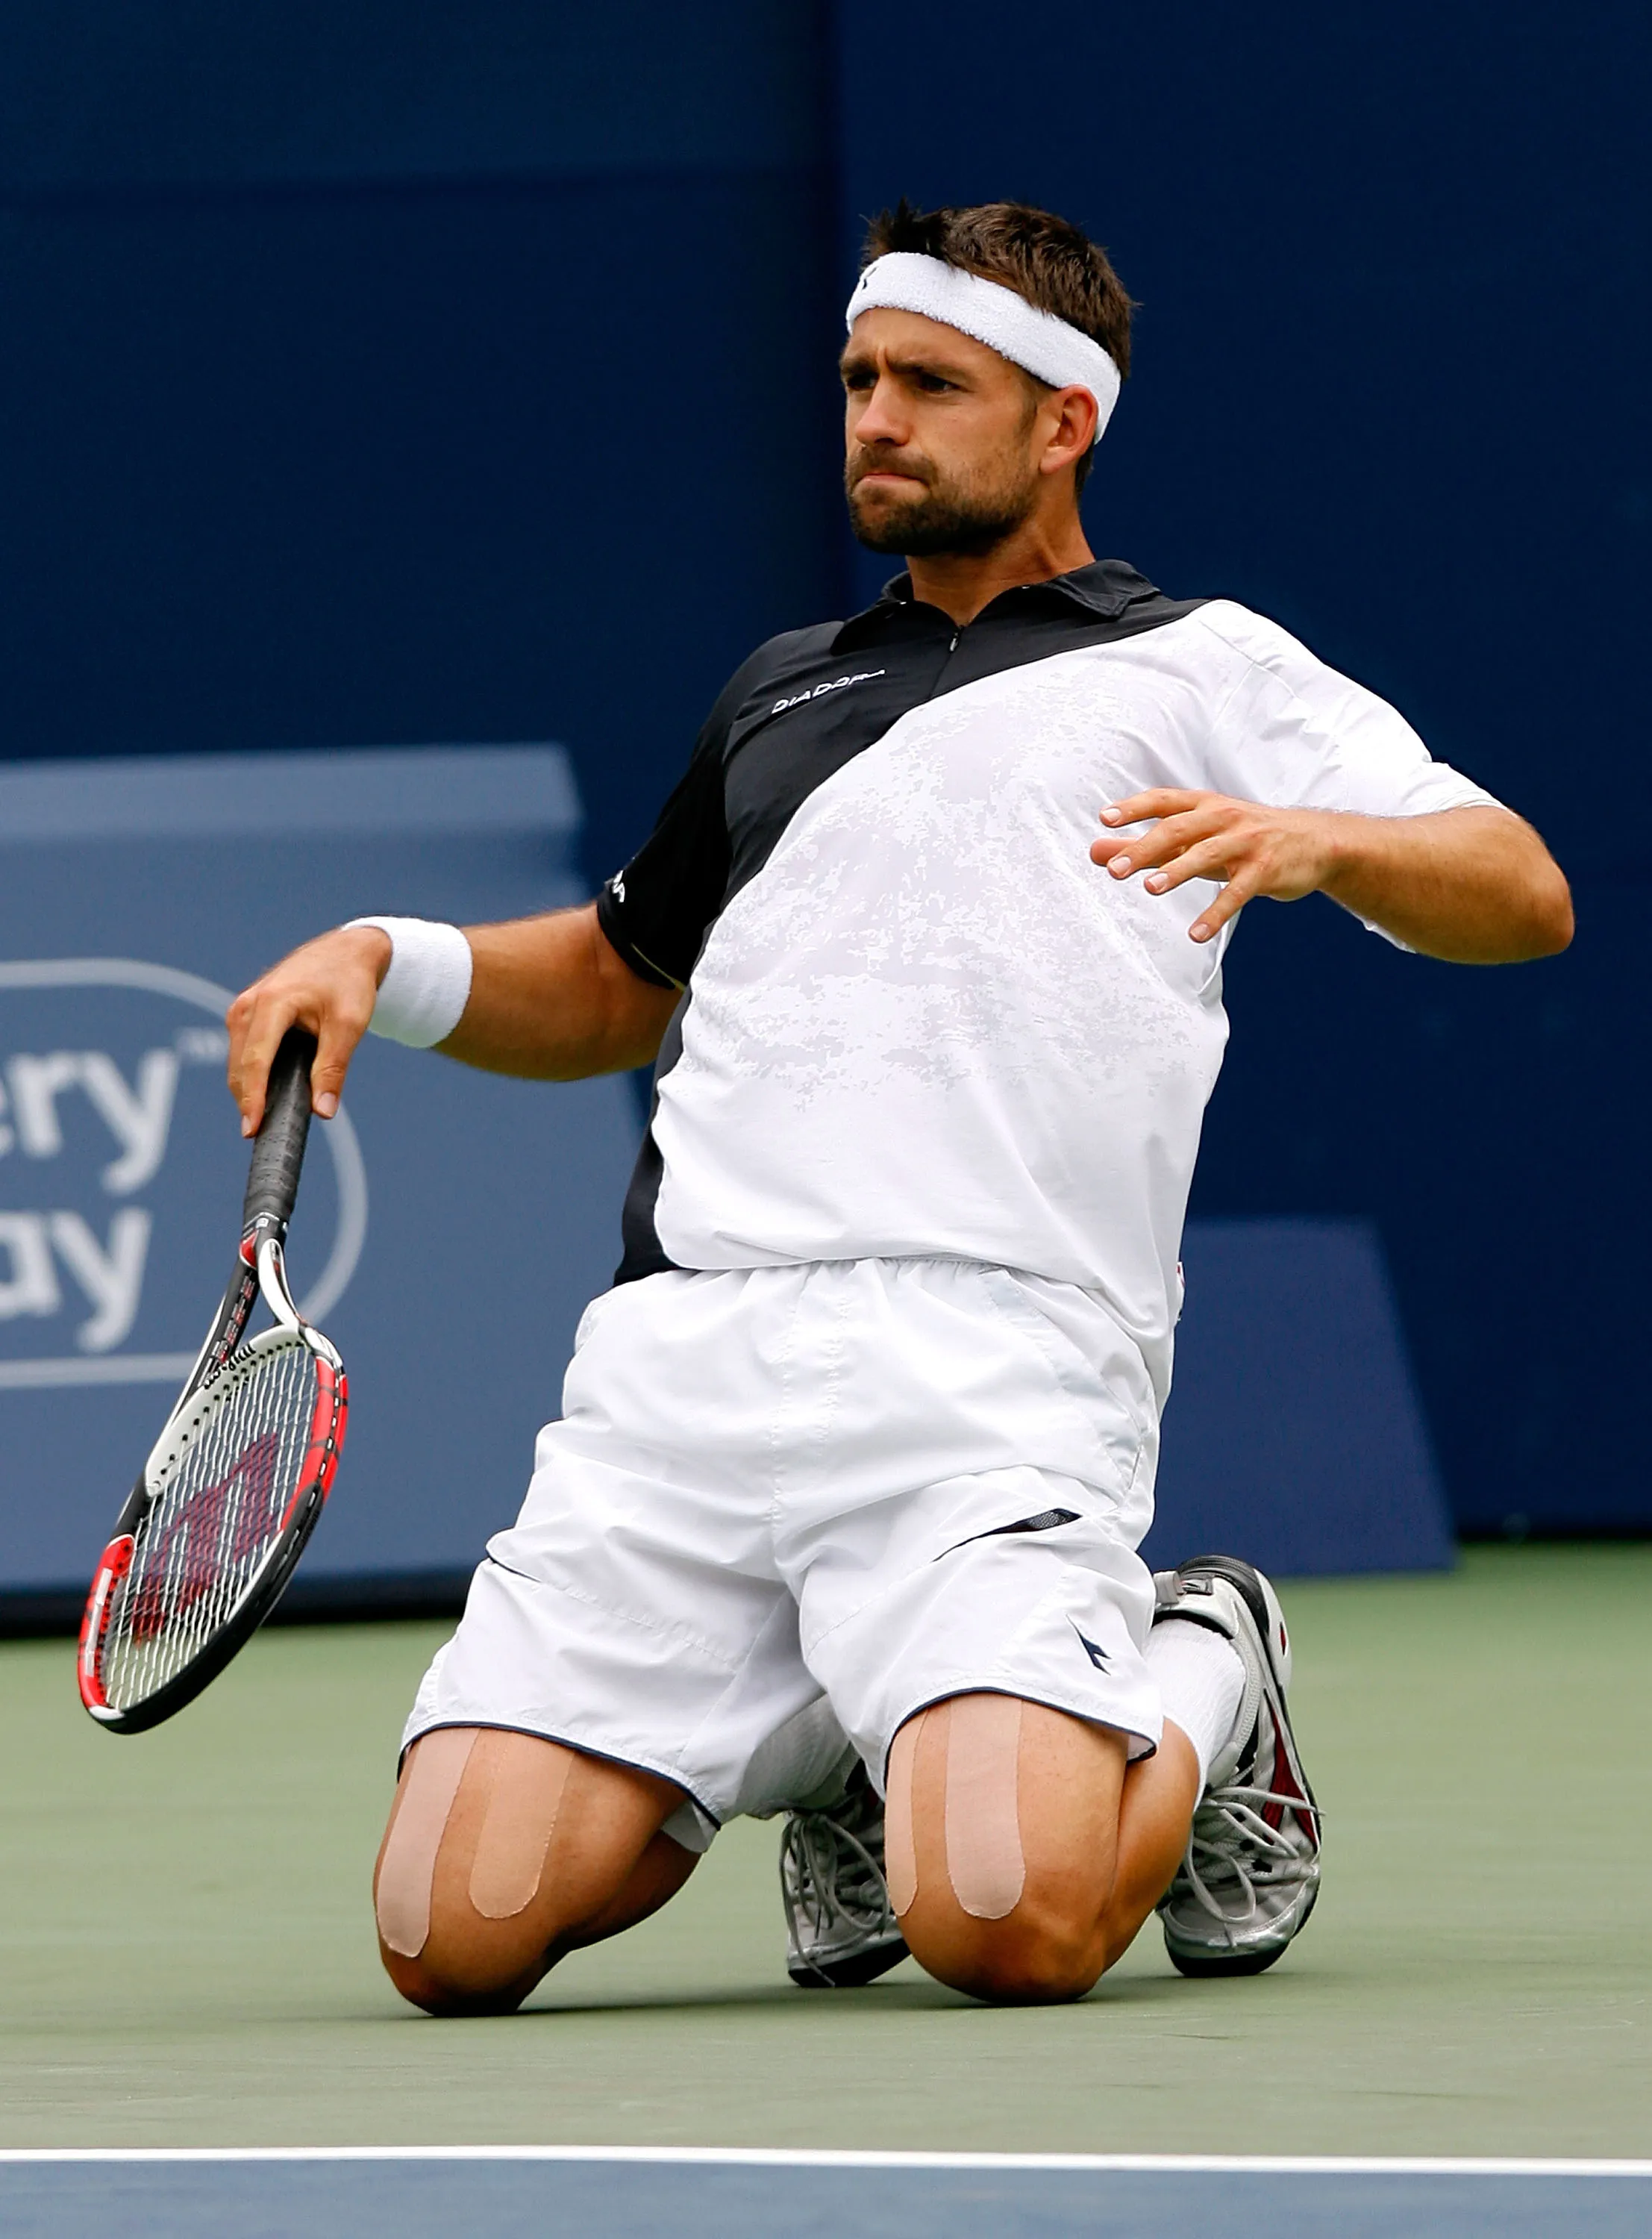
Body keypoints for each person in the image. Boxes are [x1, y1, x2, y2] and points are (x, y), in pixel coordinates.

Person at [226, 199, 1572, 2013]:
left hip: (988, 1364)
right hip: (685, 1379)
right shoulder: (785, 690)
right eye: (861, 377)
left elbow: (1518, 887)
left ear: (1063, 420)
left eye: (932, 383)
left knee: (1008, 1923)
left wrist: (1319, 842)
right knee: (445, 1934)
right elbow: (625, 979)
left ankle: (1202, 1659)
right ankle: (852, 1744)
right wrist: (394, 958)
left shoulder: (1205, 667)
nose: (876, 415)